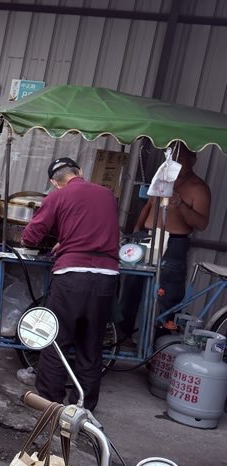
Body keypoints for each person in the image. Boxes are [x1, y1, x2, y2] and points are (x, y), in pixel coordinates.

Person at [21, 157, 119, 411]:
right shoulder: (107, 194)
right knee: (91, 345)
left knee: (57, 340)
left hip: (72, 276)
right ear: (81, 171)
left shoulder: (58, 196)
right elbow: (95, 229)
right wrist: (66, 241)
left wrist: (61, 243)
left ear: (55, 182)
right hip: (107, 277)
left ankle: (50, 403)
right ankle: (82, 408)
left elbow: (31, 238)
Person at [128, 142, 210, 329]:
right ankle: (124, 336)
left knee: (168, 294)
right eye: (172, 158)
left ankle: (159, 339)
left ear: (193, 160)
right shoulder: (163, 178)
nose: (175, 163)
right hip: (146, 237)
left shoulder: (199, 188)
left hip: (174, 243)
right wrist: (136, 230)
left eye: (181, 159)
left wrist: (181, 204)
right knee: (132, 285)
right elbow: (148, 207)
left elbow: (201, 223)